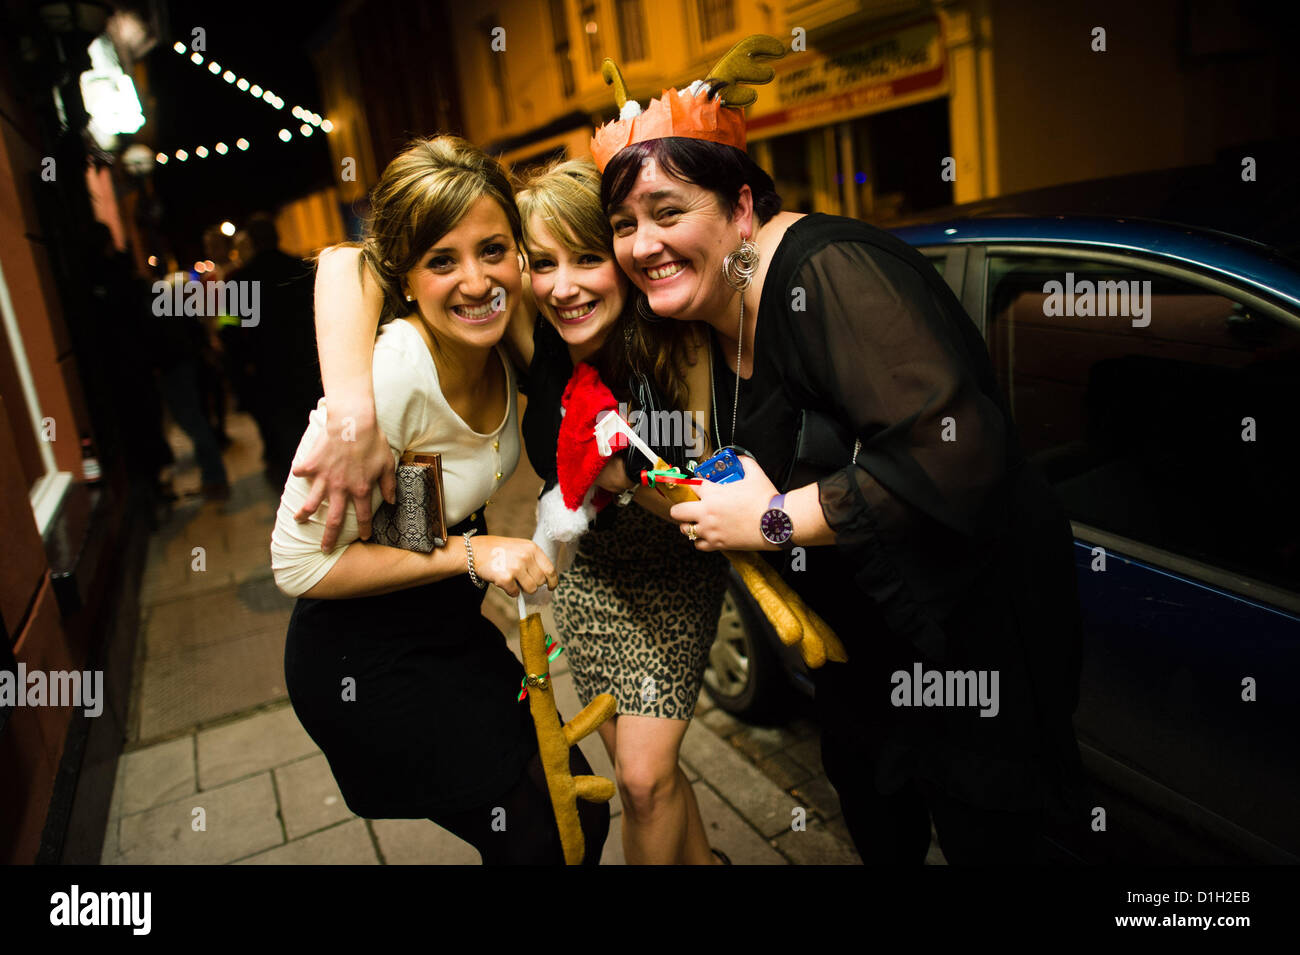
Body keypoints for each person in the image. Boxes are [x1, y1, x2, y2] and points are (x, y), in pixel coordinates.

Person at [592, 51, 1087, 864]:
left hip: (966, 633)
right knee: (876, 812)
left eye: (667, 211)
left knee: (992, 833)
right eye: (622, 224)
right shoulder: (713, 309)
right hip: (863, 648)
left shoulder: (823, 272)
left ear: (741, 204)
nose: (642, 244)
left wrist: (775, 519)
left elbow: (954, 452)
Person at [302, 157, 733, 865]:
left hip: (666, 571)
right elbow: (345, 262)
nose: (563, 286)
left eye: (589, 258)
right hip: (586, 579)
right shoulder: (519, 331)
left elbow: (697, 466)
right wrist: (352, 407)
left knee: (640, 779)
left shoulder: (670, 337)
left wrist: (629, 467)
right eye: (542, 262)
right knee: (628, 783)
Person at [270, 135, 608, 865]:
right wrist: (476, 552)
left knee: (577, 814)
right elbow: (295, 567)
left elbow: (344, 262)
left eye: (492, 249)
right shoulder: (393, 374)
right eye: (441, 260)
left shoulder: (504, 332)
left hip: (451, 634)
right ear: (406, 276)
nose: (476, 280)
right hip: (364, 657)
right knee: (542, 836)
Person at [226, 213, 322, 489]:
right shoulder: (303, 268)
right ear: (277, 237)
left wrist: (240, 368)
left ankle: (293, 480)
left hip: (266, 366)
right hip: (307, 360)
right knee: (311, 417)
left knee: (280, 425)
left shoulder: (240, 280)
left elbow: (231, 331)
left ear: (253, 243)